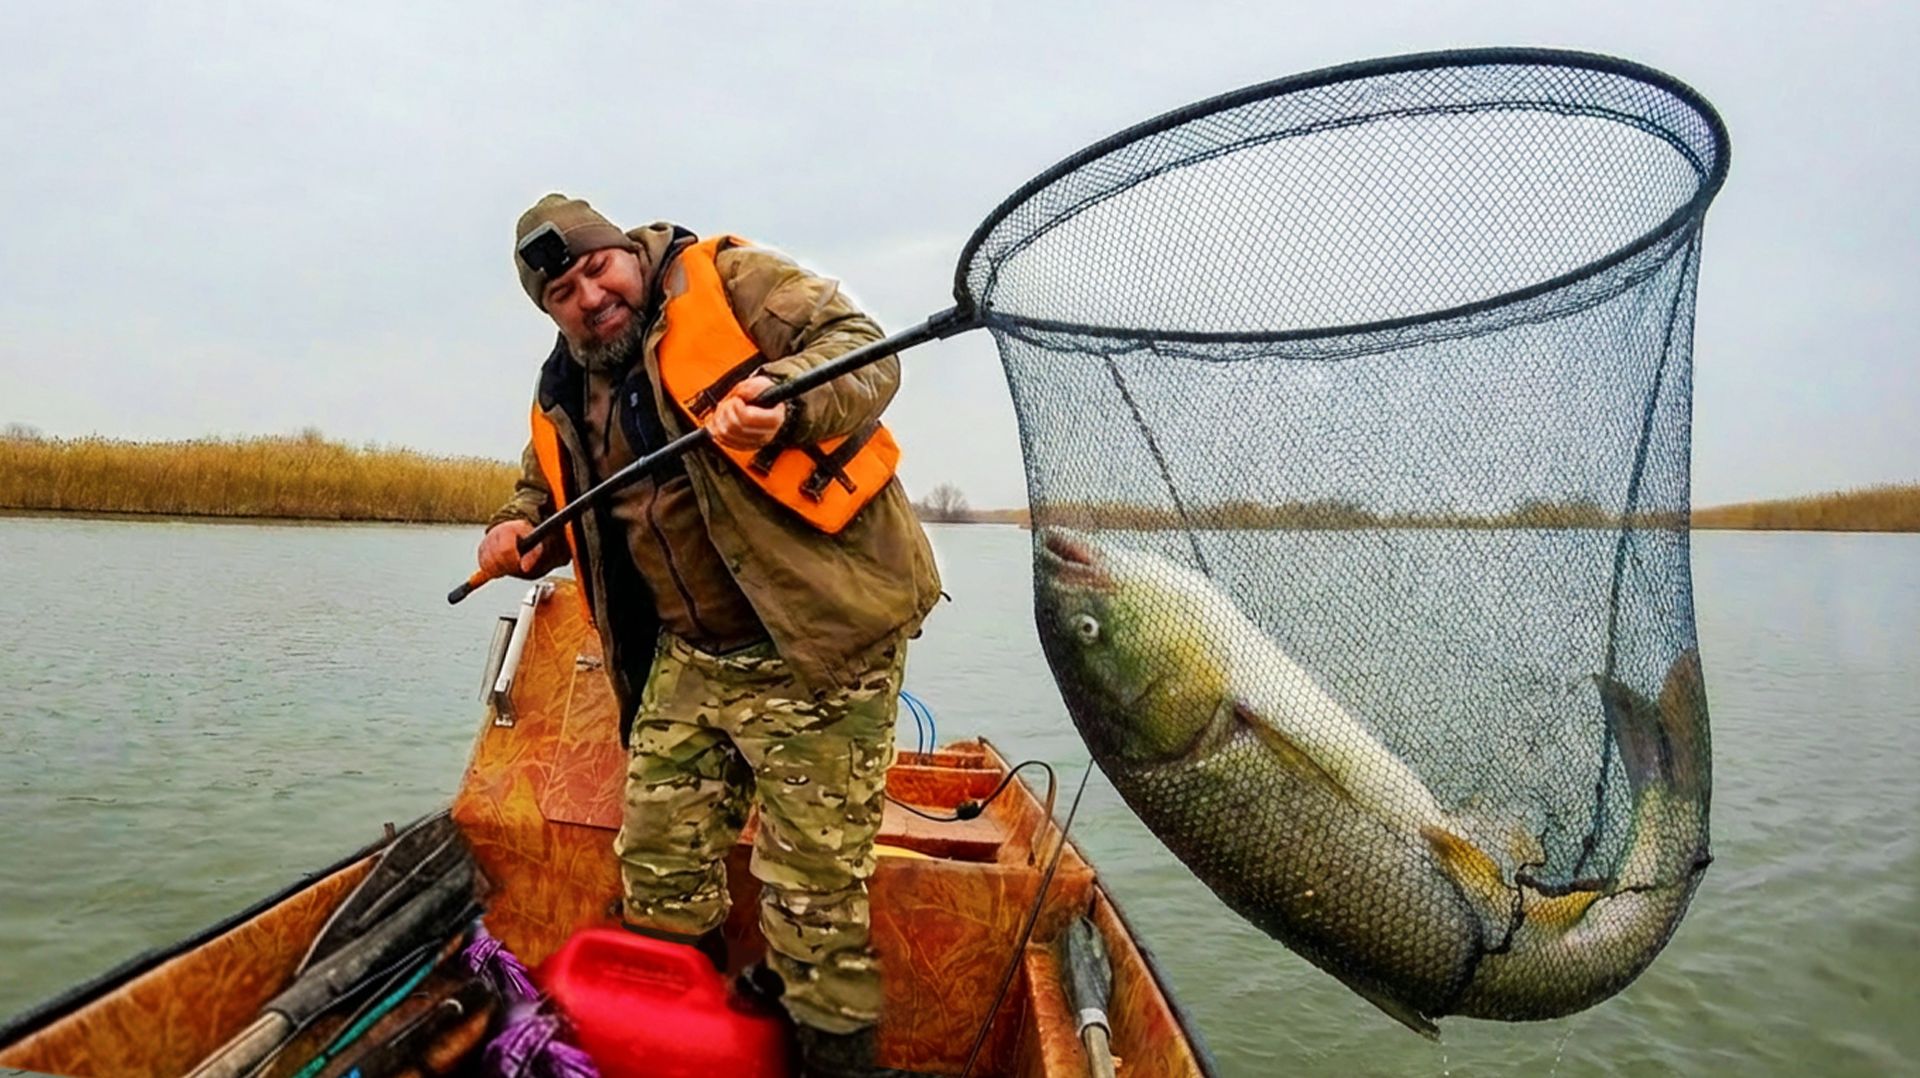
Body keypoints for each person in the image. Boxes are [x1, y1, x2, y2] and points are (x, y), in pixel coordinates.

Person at [478, 194, 941, 1077]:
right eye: (563, 291)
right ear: (550, 310)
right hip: (687, 659)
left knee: (811, 896)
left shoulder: (731, 281)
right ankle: (676, 1046)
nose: (590, 295)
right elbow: (540, 486)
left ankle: (837, 1064)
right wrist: (516, 528)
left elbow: (864, 351)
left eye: (596, 268)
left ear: (626, 252)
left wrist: (785, 400)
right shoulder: (568, 382)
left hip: (815, 647)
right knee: (655, 866)